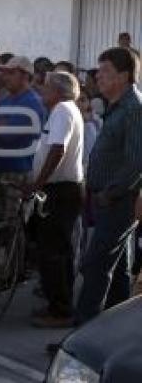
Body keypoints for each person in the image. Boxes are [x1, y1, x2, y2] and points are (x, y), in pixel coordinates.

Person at [75, 48, 142, 325]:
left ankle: (80, 337)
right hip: (108, 199)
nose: (98, 77)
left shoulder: (134, 109)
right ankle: (113, 334)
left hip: (117, 200)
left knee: (95, 266)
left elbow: (136, 162)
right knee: (117, 273)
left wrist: (110, 192)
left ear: (124, 76)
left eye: (105, 72)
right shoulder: (118, 106)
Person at [28, 71, 84, 329]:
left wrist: (38, 183)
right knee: (58, 250)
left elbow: (57, 148)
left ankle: (60, 310)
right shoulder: (63, 110)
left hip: (61, 190)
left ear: (58, 91)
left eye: (46, 86)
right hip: (62, 189)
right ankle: (58, 304)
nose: (41, 89)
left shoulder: (62, 109)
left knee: (52, 252)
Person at [0, 56, 46, 224]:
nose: (5, 77)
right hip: (0, 170)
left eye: (11, 73)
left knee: (9, 224)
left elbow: (8, 135)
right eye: (5, 72)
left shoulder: (32, 103)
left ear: (25, 76)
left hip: (18, 173)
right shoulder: (6, 99)